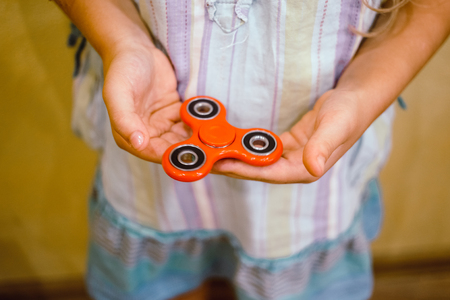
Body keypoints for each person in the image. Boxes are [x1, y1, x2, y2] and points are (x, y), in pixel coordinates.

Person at [54, 0, 450, 299]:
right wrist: (122, 40)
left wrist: (361, 95)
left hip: (305, 181)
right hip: (154, 157)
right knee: (164, 281)